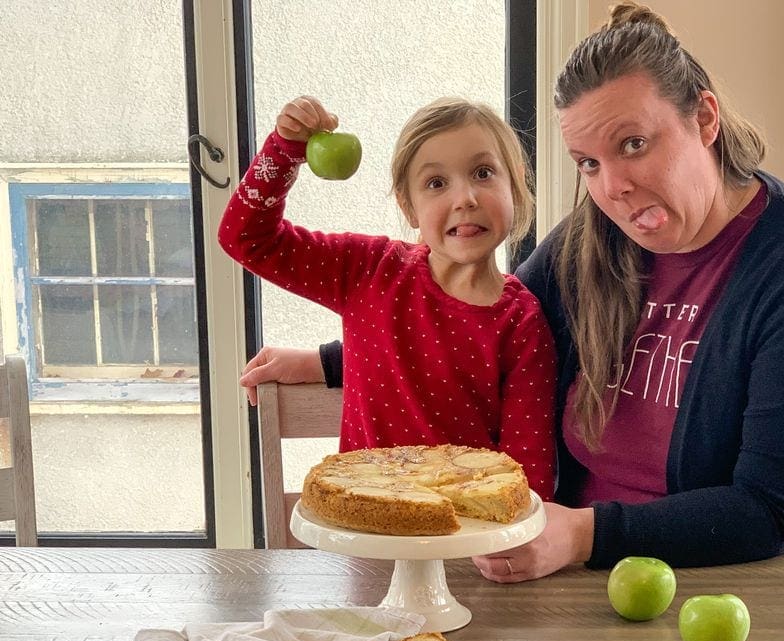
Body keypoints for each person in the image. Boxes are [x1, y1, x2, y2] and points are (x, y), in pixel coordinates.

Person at [240, 2, 784, 582]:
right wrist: (332, 360)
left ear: (706, 117)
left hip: (752, 604)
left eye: (634, 144)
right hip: (579, 592)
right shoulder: (597, 236)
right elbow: (475, 331)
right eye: (589, 163)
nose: (613, 188)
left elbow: (768, 511)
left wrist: (580, 533)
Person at [218, 95, 557, 500]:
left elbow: (528, 478)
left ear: (515, 186)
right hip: (368, 544)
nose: (465, 198)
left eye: (483, 173)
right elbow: (245, 237)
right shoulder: (368, 270)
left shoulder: (522, 321)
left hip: (467, 547)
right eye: (436, 183)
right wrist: (285, 150)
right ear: (408, 206)